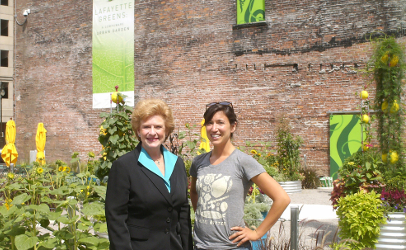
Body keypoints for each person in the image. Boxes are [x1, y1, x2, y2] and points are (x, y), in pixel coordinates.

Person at [189, 102, 291, 250]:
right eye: (209, 123)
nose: (214, 128)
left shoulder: (242, 161)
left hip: (233, 247)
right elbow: (193, 191)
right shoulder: (198, 162)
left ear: (233, 126)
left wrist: (257, 233)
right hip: (201, 245)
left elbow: (282, 198)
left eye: (220, 122)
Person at [105, 99, 193, 250]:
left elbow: (183, 212)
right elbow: (116, 218)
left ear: (166, 130)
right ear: (138, 131)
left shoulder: (177, 163)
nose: (152, 132)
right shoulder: (124, 166)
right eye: (146, 127)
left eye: (158, 127)